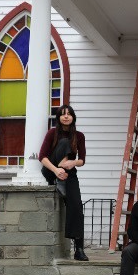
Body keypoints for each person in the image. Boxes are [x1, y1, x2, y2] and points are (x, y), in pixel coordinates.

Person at [38, 104, 88, 261]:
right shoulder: (52, 133)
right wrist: (56, 170)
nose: (66, 116)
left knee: (77, 206)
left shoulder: (79, 136)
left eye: (69, 114)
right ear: (58, 117)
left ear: (73, 117)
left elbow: (82, 160)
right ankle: (58, 180)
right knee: (65, 142)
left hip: (69, 172)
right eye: (63, 114)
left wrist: (73, 163)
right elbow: (42, 157)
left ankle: (79, 249)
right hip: (52, 170)